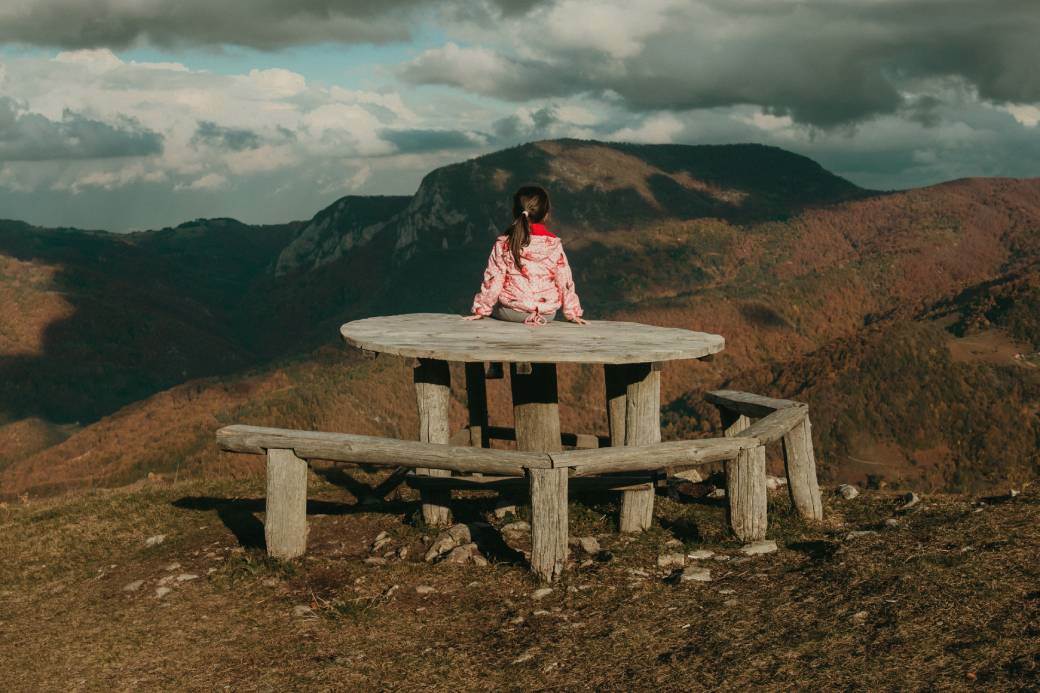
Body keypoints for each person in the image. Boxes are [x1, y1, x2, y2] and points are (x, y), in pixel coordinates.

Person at [465, 185, 586, 326]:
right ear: (546, 214)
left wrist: (481, 310)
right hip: (546, 314)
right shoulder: (554, 245)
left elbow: (494, 280)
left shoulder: (504, 244)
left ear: (515, 212)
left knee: (496, 305)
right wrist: (573, 313)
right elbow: (565, 281)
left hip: (513, 312)